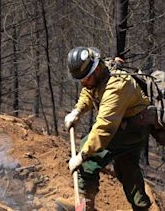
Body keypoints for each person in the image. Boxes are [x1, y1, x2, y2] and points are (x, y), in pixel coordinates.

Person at [64, 46, 152, 211]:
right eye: (81, 80)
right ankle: (142, 208)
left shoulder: (116, 87)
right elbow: (89, 91)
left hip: (131, 129)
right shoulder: (101, 71)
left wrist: (82, 155)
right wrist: (78, 111)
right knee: (127, 169)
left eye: (86, 78)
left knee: (89, 156)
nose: (84, 82)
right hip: (131, 126)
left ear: (96, 69)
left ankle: (84, 206)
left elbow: (104, 127)